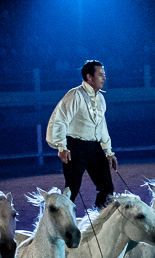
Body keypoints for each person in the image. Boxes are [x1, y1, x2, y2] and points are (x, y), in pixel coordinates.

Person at [46, 60, 118, 210]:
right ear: (89, 77)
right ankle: (62, 220)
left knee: (107, 188)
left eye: (104, 75)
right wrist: (62, 147)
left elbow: (102, 126)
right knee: (71, 189)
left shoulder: (101, 98)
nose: (104, 78)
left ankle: (101, 218)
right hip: (75, 146)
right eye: (101, 75)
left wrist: (108, 151)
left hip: (94, 147)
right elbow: (60, 120)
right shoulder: (75, 95)